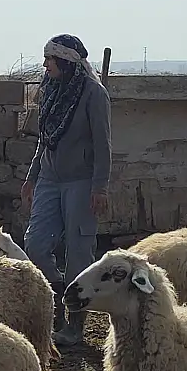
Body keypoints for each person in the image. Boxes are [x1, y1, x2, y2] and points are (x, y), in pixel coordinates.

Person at [21, 34, 112, 347]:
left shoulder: (93, 94)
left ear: (66, 62)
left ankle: (75, 324)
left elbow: (102, 144)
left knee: (78, 253)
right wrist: (32, 177)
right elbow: (44, 140)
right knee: (34, 244)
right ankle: (59, 291)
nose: (46, 65)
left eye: (50, 59)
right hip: (49, 178)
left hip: (81, 182)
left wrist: (99, 187)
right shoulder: (49, 90)